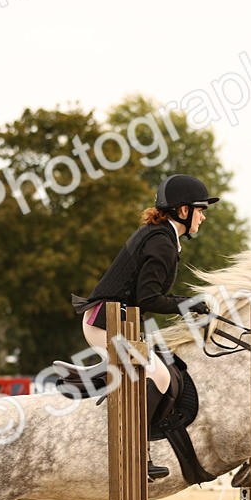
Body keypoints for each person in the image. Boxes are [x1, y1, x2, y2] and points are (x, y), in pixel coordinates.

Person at [72, 174, 217, 480]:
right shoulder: (161, 242)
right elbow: (148, 298)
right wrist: (188, 304)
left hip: (117, 320)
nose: (203, 217)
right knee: (159, 374)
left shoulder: (161, 237)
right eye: (200, 210)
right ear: (182, 211)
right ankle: (134, 453)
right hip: (105, 321)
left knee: (158, 371)